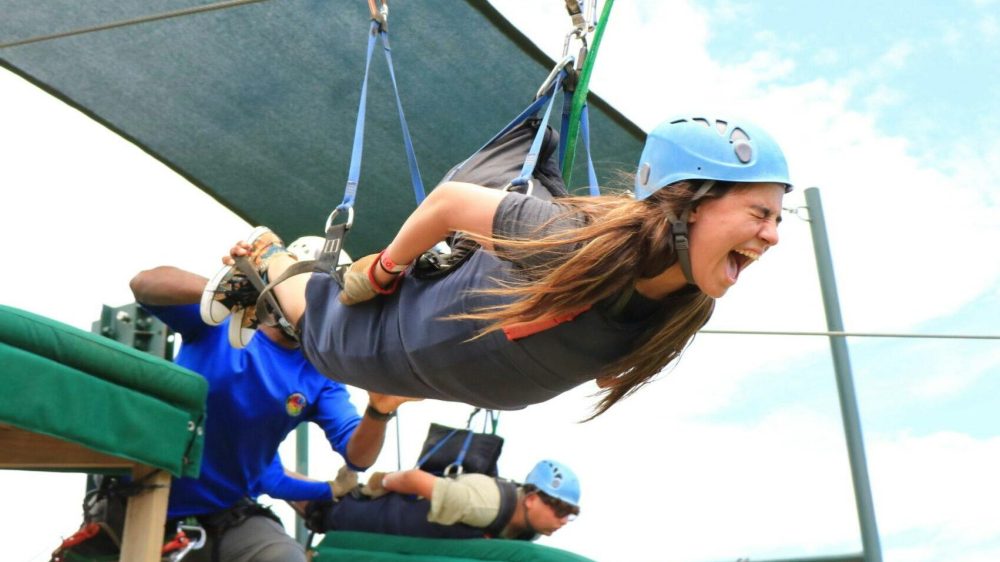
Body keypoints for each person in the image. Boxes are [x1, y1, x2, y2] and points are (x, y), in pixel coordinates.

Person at [208, 115, 792, 417]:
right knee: (319, 329)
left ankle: (284, 302)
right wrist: (385, 269)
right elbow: (450, 205)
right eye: (760, 213)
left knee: (317, 337)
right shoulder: (573, 241)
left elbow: (605, 367)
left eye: (779, 219)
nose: (771, 236)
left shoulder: (687, 306)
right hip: (401, 340)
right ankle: (272, 256)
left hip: (442, 367)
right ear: (689, 201)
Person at [128, 259, 416, 562]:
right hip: (142, 490)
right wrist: (229, 291)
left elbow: (358, 456)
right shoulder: (223, 320)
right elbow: (144, 285)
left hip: (225, 514)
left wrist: (378, 411)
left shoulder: (319, 375)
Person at [298, 460, 581, 541]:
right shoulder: (485, 504)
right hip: (381, 514)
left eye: (570, 515)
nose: (563, 520)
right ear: (531, 499)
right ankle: (259, 469)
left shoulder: (526, 533)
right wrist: (375, 487)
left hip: (406, 535)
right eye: (559, 509)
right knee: (325, 512)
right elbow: (413, 479)